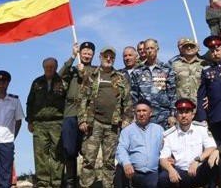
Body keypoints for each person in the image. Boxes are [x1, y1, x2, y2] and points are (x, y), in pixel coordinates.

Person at [78, 47, 133, 188]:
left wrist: (126, 121)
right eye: (106, 56)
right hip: (93, 124)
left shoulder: (120, 77)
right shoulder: (92, 75)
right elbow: (83, 98)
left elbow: (127, 102)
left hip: (113, 126)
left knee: (109, 161)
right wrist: (82, 120)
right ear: (100, 57)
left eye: (111, 57)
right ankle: (86, 185)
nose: (108, 59)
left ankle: (108, 185)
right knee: (89, 160)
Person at [59, 41, 96, 188]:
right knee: (69, 149)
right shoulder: (72, 69)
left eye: (89, 53)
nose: (86, 55)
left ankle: (86, 182)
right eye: (84, 52)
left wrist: (84, 72)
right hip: (71, 112)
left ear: (93, 55)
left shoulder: (95, 69)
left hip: (87, 113)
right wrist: (72, 57)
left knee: (87, 150)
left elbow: (94, 86)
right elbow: (58, 76)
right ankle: (70, 182)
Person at [158, 98, 219, 188]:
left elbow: (211, 147)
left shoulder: (201, 129)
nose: (184, 115)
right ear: (176, 115)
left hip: (199, 170)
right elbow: (162, 159)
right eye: (181, 112)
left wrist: (197, 160)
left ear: (192, 115)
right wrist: (171, 170)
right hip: (181, 173)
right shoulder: (169, 135)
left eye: (187, 112)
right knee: (163, 177)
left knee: (214, 160)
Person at [26, 58, 66, 188]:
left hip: (57, 122)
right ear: (43, 68)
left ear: (56, 67)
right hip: (39, 124)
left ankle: (56, 182)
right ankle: (43, 183)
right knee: (40, 154)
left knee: (57, 154)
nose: (49, 69)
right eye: (47, 67)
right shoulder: (37, 82)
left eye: (52, 67)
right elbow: (30, 102)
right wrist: (30, 121)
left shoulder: (62, 81)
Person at [115, 100, 165, 188]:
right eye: (138, 111)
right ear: (135, 113)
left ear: (150, 113)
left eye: (144, 111)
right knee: (120, 167)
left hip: (152, 173)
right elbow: (121, 149)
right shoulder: (127, 131)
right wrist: (126, 163)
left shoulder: (159, 130)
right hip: (133, 172)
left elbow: (165, 148)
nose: (141, 114)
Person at [130, 38, 177, 128]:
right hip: (144, 117)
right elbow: (134, 96)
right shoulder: (138, 71)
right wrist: (134, 114)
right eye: (147, 49)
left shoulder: (166, 69)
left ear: (157, 49)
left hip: (163, 117)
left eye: (152, 48)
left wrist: (173, 115)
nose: (150, 51)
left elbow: (173, 94)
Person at [171, 37, 205, 102]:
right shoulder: (174, 65)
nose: (189, 48)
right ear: (182, 49)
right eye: (186, 46)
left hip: (200, 104)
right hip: (181, 106)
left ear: (197, 48)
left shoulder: (204, 64)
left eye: (192, 46)